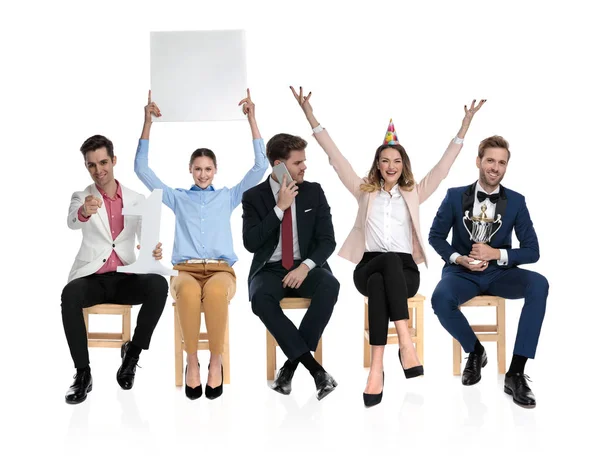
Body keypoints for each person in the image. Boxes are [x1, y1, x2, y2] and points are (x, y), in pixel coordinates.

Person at [291, 86, 485, 407]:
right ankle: (405, 344)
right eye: (385, 161)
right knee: (381, 270)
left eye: (396, 160)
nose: (391, 165)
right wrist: (310, 115)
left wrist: (464, 127)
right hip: (366, 266)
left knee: (390, 271)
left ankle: (376, 368)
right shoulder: (364, 190)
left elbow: (443, 167)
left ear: (402, 164)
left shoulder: (414, 192)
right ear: (378, 164)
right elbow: (335, 158)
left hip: (405, 271)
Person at [134, 89, 268, 400]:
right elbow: (142, 170)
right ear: (190, 170)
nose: (203, 174)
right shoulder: (178, 198)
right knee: (189, 292)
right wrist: (147, 123)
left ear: (215, 170)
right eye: (198, 169)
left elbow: (260, 167)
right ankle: (192, 362)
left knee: (217, 291)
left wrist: (252, 119)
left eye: (208, 169)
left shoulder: (229, 197)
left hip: (221, 271)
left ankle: (216, 363)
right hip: (186, 270)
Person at [429, 135, 548, 408]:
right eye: (490, 160)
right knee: (439, 299)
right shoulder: (454, 195)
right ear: (478, 161)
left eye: (501, 163)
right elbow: (436, 236)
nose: (495, 167)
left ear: (506, 167)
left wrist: (497, 254)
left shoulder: (517, 201)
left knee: (539, 284)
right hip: (462, 274)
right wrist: (458, 259)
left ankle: (516, 372)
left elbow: (533, 251)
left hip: (499, 274)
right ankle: (475, 350)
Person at [62, 134, 168, 404]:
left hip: (125, 278)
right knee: (69, 295)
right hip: (92, 278)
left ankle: (132, 355)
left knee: (159, 285)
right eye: (91, 165)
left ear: (114, 160)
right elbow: (73, 221)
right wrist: (85, 210)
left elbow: (147, 238)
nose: (99, 170)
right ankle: (82, 374)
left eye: (103, 162)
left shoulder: (135, 198)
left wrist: (153, 249)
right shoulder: (81, 196)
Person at [241, 129, 340, 401]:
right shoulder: (254, 197)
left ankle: (289, 367)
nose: (304, 167)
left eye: (303, 161)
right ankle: (317, 371)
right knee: (260, 298)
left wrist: (305, 267)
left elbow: (328, 241)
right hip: (270, 269)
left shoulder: (314, 192)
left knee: (330, 285)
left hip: (304, 266)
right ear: (278, 165)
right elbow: (251, 242)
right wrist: (279, 209)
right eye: (298, 163)